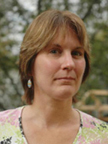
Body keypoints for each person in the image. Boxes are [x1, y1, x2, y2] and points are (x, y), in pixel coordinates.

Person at [0, 9, 108, 144]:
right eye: (54, 51)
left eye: (76, 53)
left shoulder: (103, 136)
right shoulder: (2, 129)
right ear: (29, 64)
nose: (69, 63)